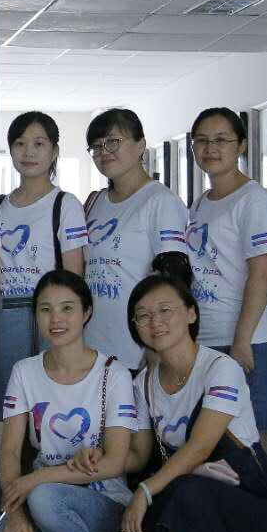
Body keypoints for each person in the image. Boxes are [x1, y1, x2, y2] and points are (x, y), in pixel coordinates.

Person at [118, 274, 267, 532]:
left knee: (186, 491)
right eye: (143, 315)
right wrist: (92, 462)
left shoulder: (221, 369)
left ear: (191, 314)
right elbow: (138, 456)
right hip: (200, 496)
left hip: (259, 503)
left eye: (166, 310)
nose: (155, 322)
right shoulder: (144, 384)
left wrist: (146, 491)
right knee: (136, 524)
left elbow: (200, 447)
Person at [0, 270, 143, 532]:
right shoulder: (24, 372)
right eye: (45, 309)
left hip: (102, 500)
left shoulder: (113, 374)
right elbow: (9, 451)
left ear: (87, 312)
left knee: (44, 494)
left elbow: (115, 462)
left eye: (67, 308)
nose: (56, 319)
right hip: (40, 500)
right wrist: (15, 513)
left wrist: (36, 479)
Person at [185, 106, 267, 532]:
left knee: (246, 456)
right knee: (214, 457)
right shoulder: (201, 202)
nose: (211, 148)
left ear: (242, 144)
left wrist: (242, 338)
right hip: (205, 341)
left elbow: (262, 271)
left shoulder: (254, 200)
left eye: (221, 139)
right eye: (202, 140)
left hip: (243, 341)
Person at [0, 111, 88, 418]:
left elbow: (74, 276)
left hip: (50, 317)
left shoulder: (65, 204)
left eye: (39, 144)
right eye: (20, 143)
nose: (28, 152)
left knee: (50, 402)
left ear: (54, 151)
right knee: (7, 404)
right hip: (4, 317)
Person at [82, 107, 191, 366]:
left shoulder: (159, 201)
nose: (104, 152)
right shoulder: (95, 202)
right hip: (91, 346)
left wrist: (157, 346)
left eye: (113, 142)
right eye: (96, 146)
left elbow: (174, 280)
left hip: (137, 348)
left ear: (141, 145)